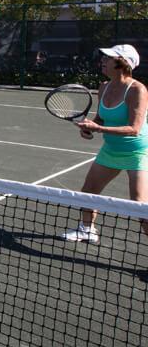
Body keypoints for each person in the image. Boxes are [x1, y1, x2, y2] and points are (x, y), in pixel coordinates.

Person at [62, 44, 147, 244]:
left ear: (122, 64)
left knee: (139, 205)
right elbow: (100, 118)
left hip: (137, 153)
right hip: (111, 150)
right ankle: (87, 229)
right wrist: (90, 126)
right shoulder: (104, 86)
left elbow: (134, 128)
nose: (103, 60)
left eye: (108, 58)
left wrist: (98, 129)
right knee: (89, 192)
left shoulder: (137, 90)